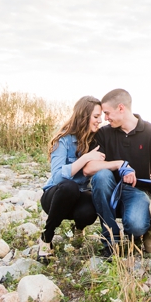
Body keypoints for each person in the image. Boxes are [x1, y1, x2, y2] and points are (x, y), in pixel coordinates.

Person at [84, 88, 151, 257]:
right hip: (109, 189)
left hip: (138, 191)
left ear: (121, 108)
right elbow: (89, 168)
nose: (105, 118)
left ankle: (133, 238)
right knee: (101, 175)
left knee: (136, 225)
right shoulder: (103, 134)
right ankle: (111, 240)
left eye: (107, 113)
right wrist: (120, 165)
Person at [39, 96, 106, 254]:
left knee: (90, 208)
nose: (100, 120)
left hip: (80, 196)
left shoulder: (97, 140)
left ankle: (78, 228)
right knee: (70, 187)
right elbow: (57, 178)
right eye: (96, 117)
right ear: (84, 117)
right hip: (57, 196)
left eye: (101, 116)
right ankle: (46, 238)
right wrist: (85, 158)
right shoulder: (63, 140)